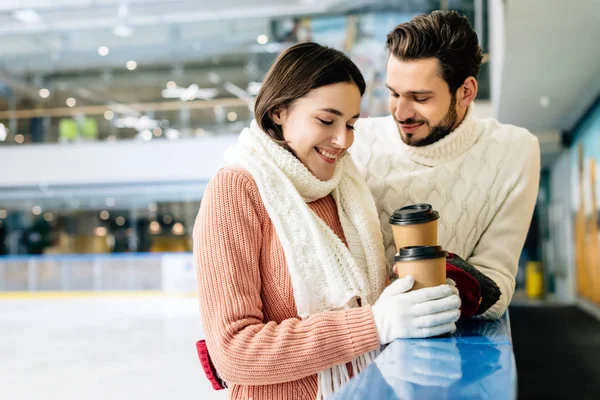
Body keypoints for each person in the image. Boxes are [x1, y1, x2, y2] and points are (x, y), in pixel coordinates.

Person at [193, 42, 461, 400]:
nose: (342, 140)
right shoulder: (236, 190)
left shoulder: (345, 187)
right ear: (278, 111)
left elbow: (372, 300)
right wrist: (375, 324)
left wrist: (419, 302)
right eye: (326, 120)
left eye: (350, 124)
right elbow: (233, 352)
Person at [352, 10, 541, 320]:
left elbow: (497, 286)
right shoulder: (357, 141)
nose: (401, 112)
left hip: (446, 344)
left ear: (466, 92)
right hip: (357, 343)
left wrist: (428, 283)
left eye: (420, 97)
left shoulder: (515, 151)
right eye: (393, 93)